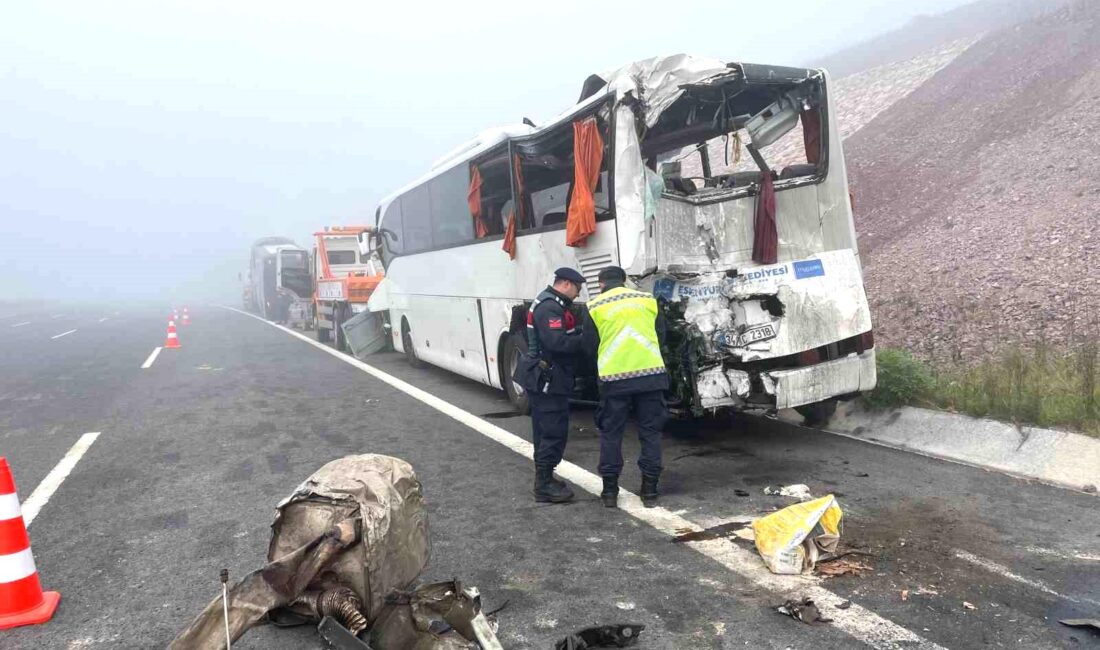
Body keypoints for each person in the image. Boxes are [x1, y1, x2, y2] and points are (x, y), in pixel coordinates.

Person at [584, 266, 668, 508]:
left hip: (614, 380)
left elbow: (589, 347)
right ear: (624, 281)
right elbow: (661, 335)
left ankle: (610, 492)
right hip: (651, 376)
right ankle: (650, 491)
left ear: (601, 284)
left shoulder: (595, 306)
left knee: (611, 434)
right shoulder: (647, 300)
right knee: (650, 433)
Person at [515, 267, 586, 503]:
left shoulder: (550, 303)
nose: (578, 293)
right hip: (547, 378)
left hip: (545, 376)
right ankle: (543, 484)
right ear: (566, 284)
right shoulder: (550, 307)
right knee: (552, 431)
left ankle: (545, 478)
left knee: (544, 430)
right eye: (577, 287)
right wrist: (584, 338)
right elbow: (557, 343)